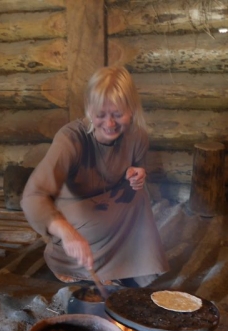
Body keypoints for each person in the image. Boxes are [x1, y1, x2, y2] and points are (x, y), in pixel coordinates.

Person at [20, 66, 168, 287]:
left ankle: (126, 266)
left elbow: (136, 169)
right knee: (96, 222)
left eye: (118, 114)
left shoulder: (137, 137)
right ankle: (67, 262)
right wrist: (67, 232)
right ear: (89, 109)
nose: (109, 124)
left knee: (138, 197)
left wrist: (137, 174)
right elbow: (33, 197)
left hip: (106, 211)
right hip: (75, 217)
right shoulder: (71, 139)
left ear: (131, 110)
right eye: (101, 115)